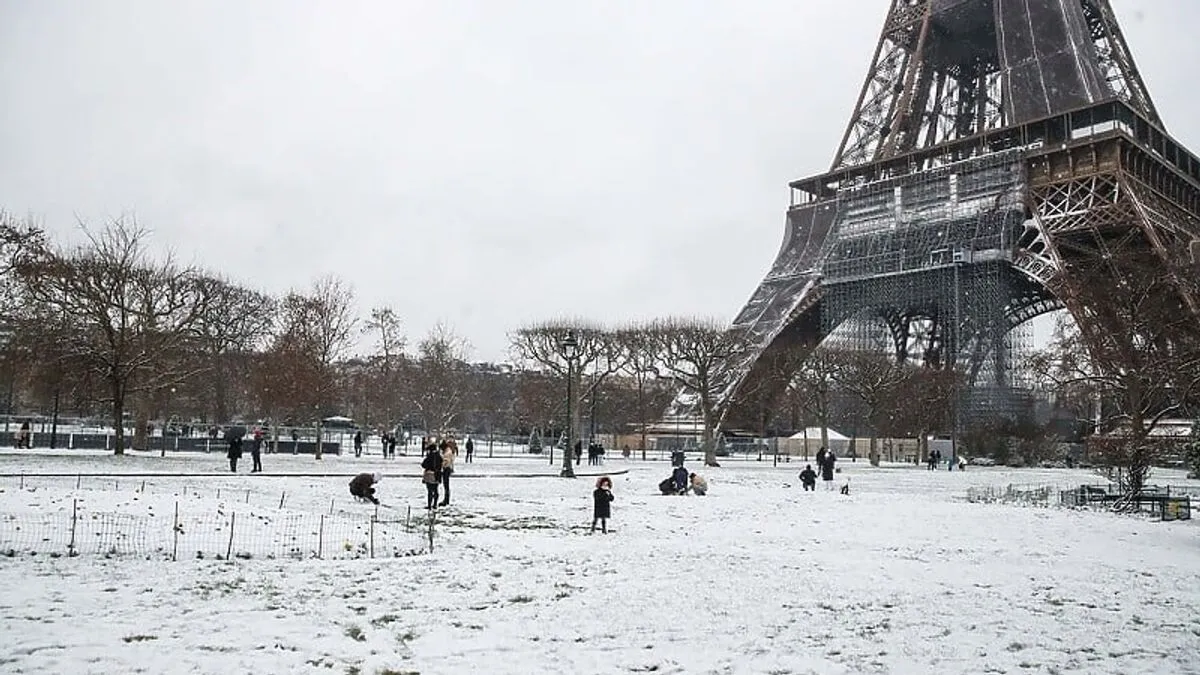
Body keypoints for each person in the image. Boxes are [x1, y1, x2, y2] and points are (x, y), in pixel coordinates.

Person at [421, 443, 443, 509]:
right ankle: (435, 504)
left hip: (430, 474)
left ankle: (429, 505)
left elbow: (423, 464)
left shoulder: (429, 456)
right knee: (436, 490)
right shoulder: (439, 456)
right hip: (437, 474)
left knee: (430, 491)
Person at [439, 439, 457, 506]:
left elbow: (446, 461)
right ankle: (446, 499)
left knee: (446, 485)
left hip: (446, 469)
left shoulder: (447, 453)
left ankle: (446, 499)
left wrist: (441, 466)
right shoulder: (448, 451)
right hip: (448, 468)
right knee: (446, 485)